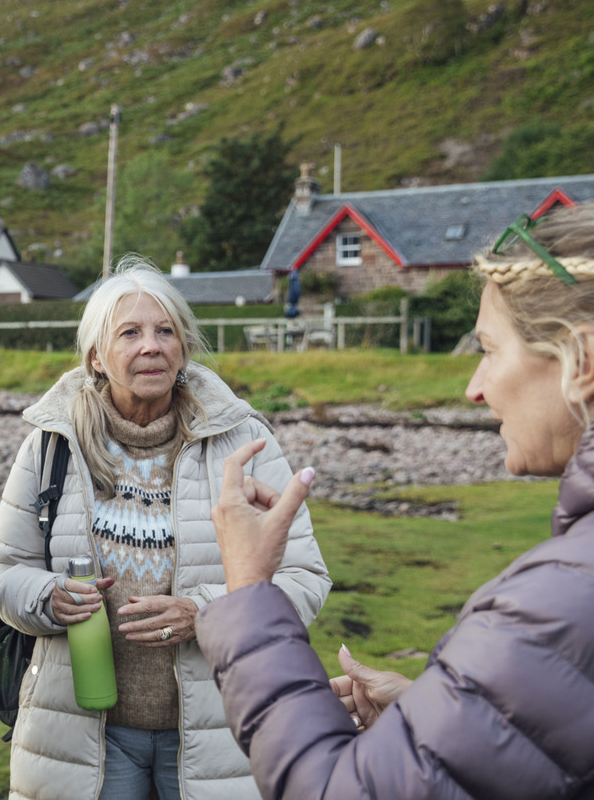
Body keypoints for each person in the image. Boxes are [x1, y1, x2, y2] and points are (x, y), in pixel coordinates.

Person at [200, 204, 594, 799]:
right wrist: (433, 717)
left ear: (580, 360)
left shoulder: (557, 604)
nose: (473, 387)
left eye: (489, 349)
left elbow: (334, 792)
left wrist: (250, 588)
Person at [0, 259, 329, 800]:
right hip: (83, 733)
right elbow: (4, 575)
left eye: (165, 330)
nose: (152, 346)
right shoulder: (52, 444)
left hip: (216, 731)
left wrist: (205, 613)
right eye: (130, 333)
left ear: (184, 347)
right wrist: (49, 598)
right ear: (97, 355)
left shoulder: (245, 443)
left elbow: (304, 578)